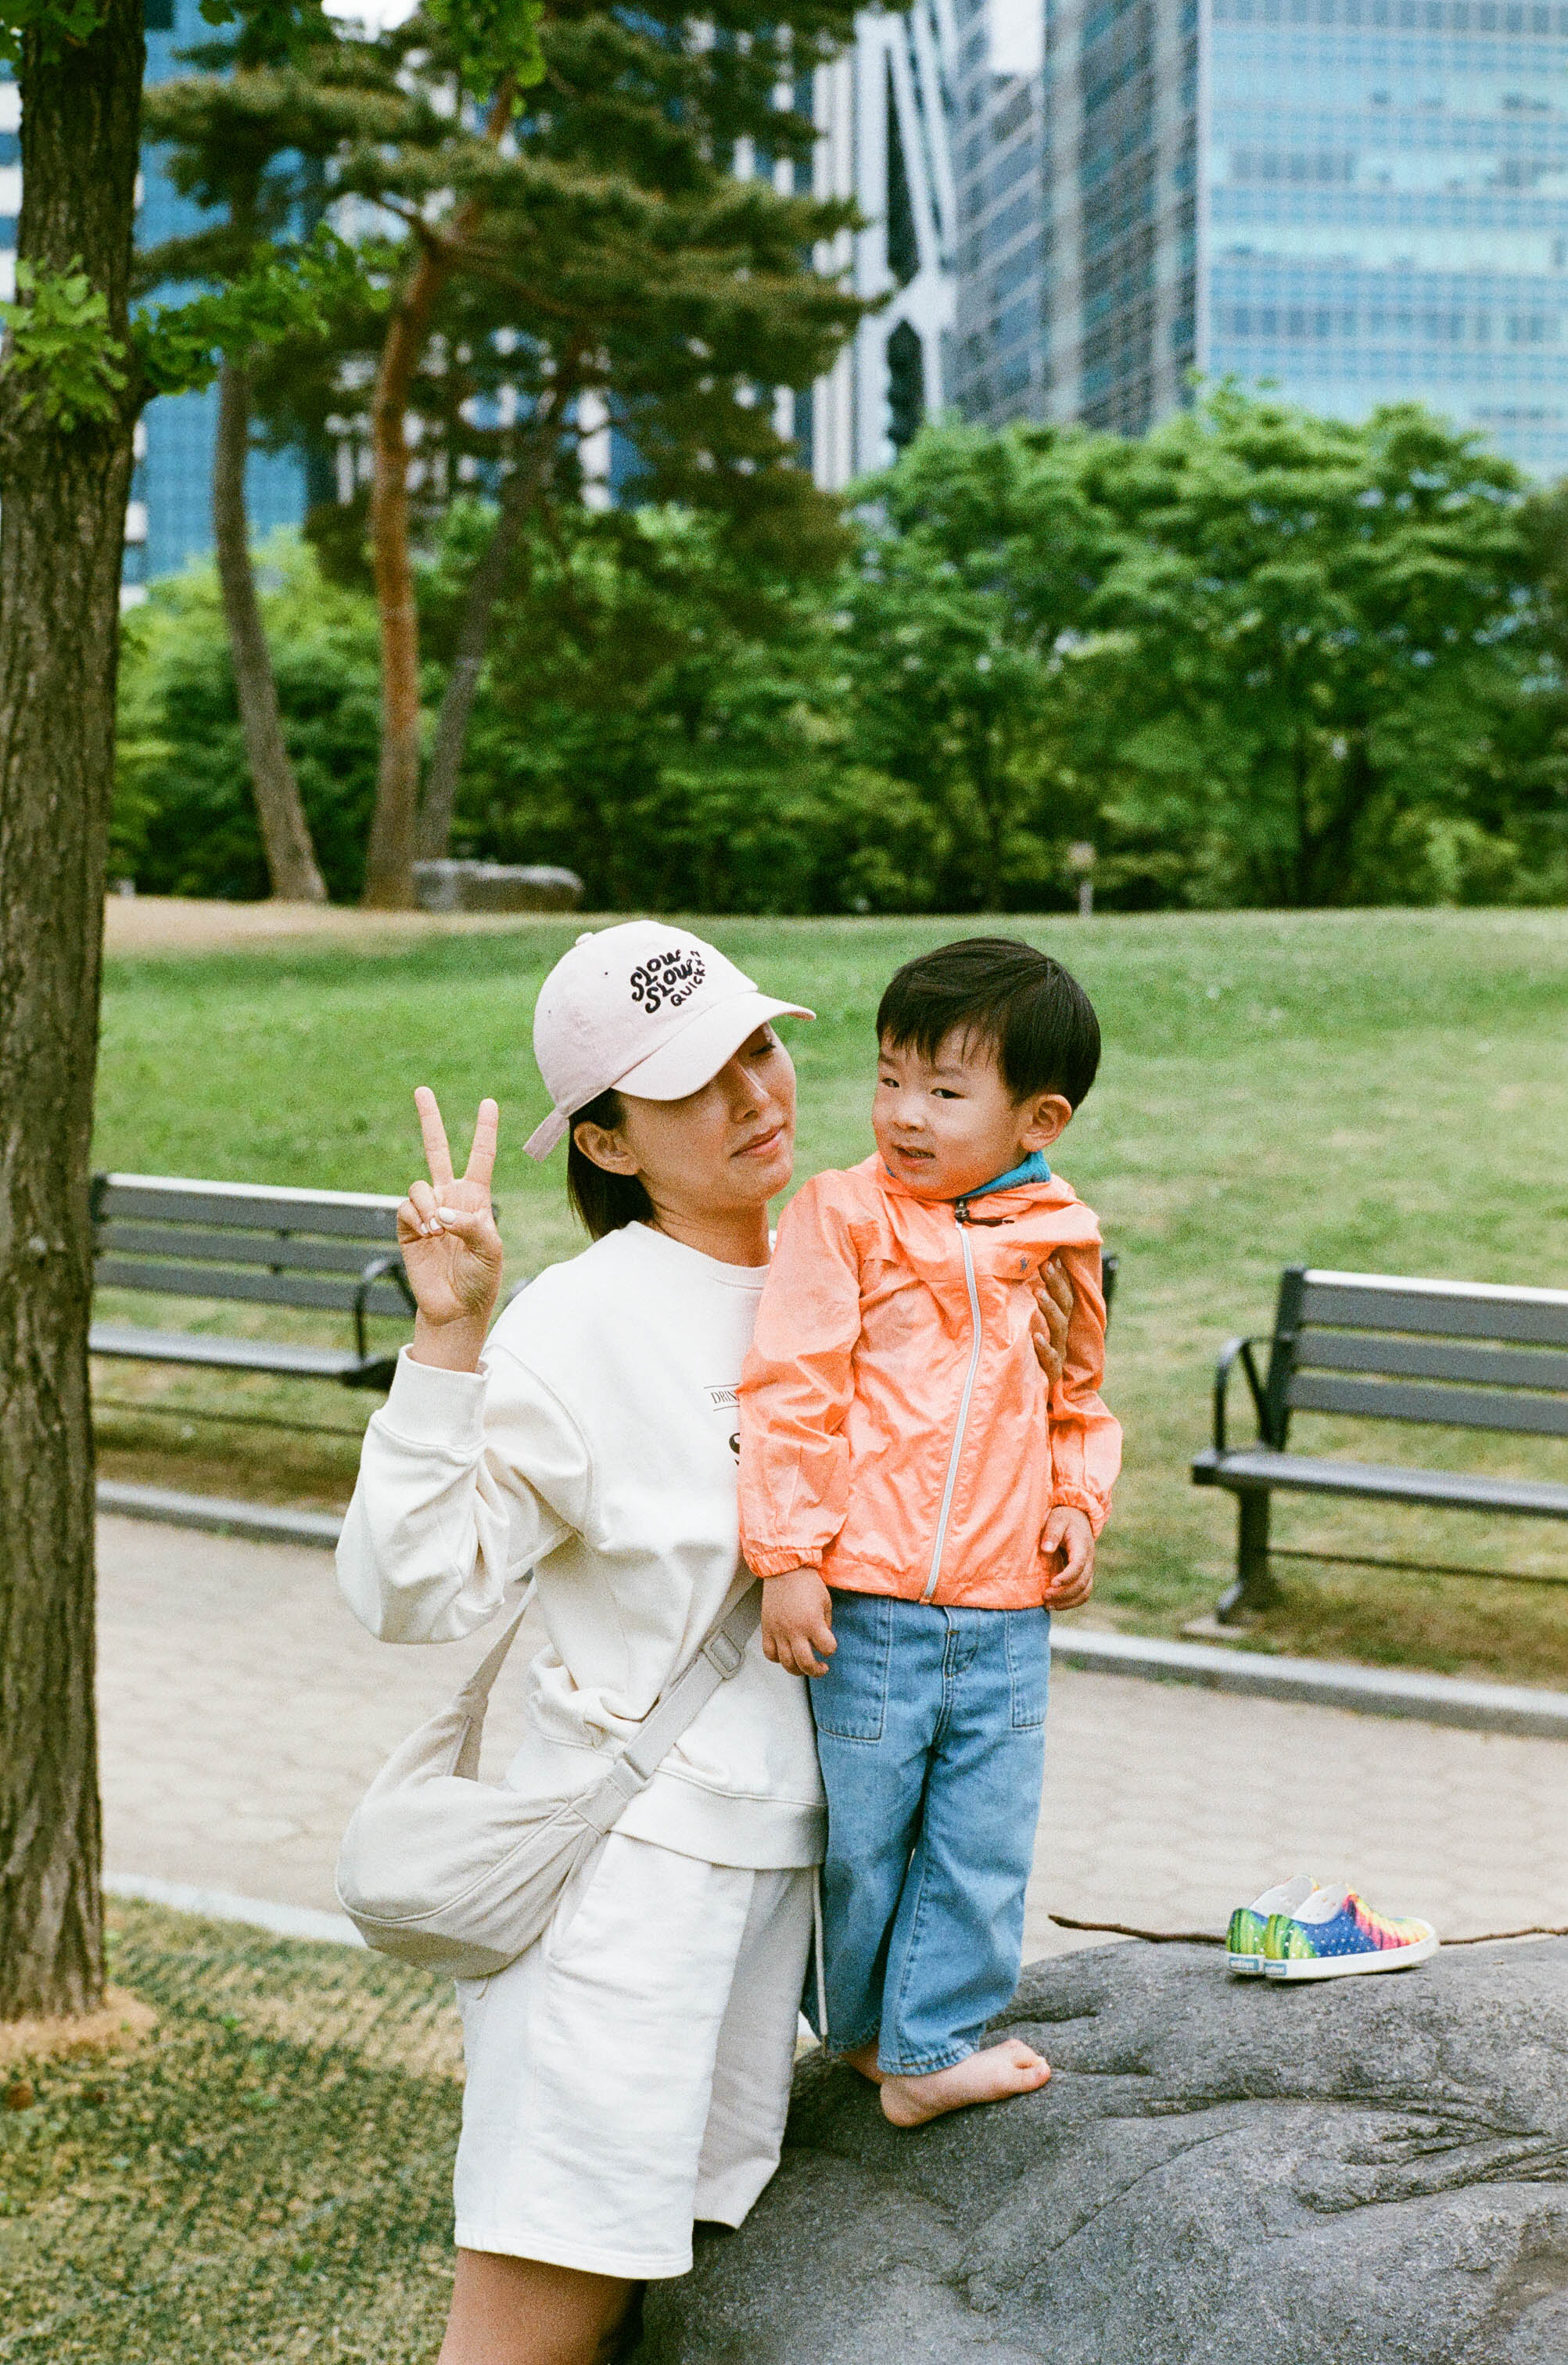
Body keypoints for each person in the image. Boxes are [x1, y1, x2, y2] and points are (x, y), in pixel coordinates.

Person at [336, 920, 1081, 2365]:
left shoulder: (870, 1257)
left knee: (656, 2320)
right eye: (691, 1083)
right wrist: (449, 1340)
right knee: (529, 2332)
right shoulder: (585, 1321)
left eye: (758, 1047)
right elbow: (409, 1592)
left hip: (790, 1891)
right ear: (607, 1144)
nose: (755, 1095)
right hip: (629, 1897)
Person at [737, 936, 1121, 2130]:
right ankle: (861, 2034)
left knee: (980, 1842)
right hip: (870, 1609)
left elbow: (1077, 1400)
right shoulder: (842, 1216)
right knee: (859, 1844)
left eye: (945, 1091)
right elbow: (792, 1389)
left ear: (1037, 1119)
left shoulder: (1057, 1236)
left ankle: (930, 2045)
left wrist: (1076, 1502)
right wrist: (787, 1559)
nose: (903, 1112)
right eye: (888, 1077)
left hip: (1004, 1616)